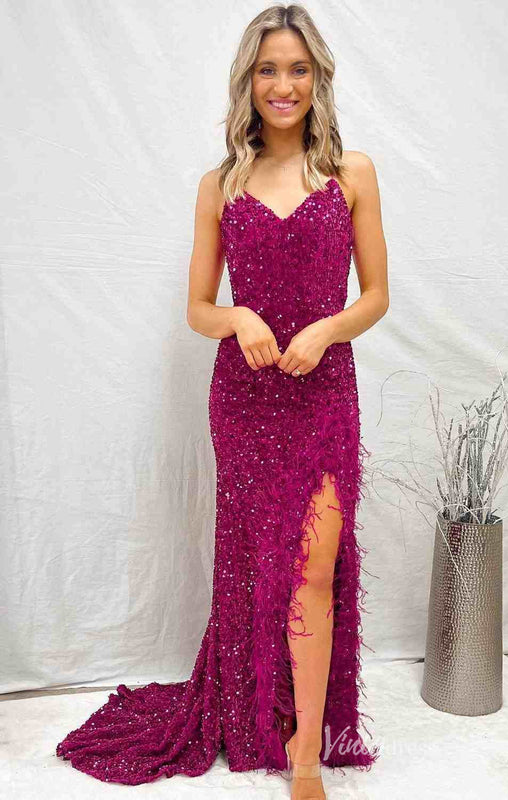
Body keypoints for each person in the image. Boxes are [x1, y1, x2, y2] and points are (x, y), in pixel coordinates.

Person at [56, 5, 388, 798]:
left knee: (314, 568)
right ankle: (255, 707)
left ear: (318, 79)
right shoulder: (220, 185)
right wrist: (238, 317)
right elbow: (197, 309)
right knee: (257, 567)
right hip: (244, 400)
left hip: (323, 393)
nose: (283, 85)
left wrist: (328, 328)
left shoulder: (352, 173)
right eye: (268, 69)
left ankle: (305, 754)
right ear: (248, 81)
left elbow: (376, 296)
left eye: (297, 69)